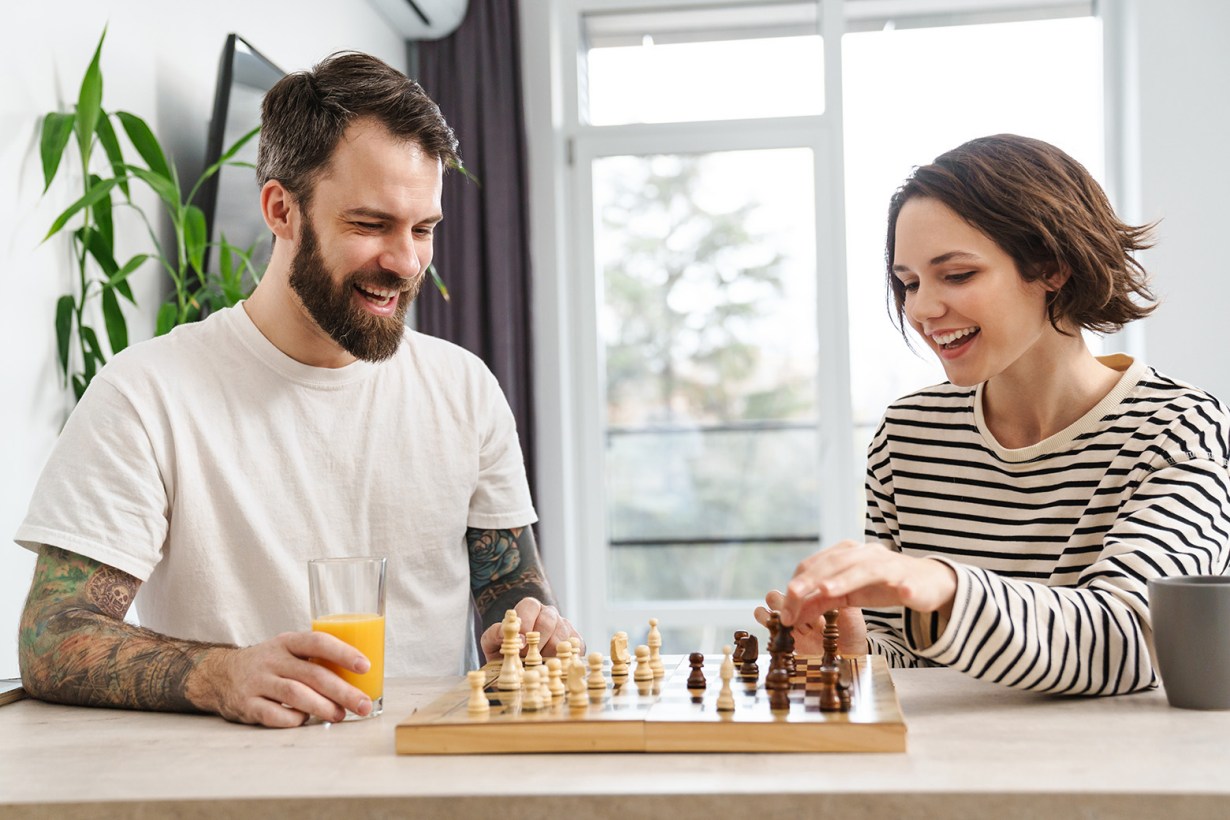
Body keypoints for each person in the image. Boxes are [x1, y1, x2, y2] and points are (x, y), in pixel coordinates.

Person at [15, 52, 581, 727]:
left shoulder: (465, 388)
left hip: (423, 776)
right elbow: (52, 635)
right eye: (370, 225)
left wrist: (525, 623)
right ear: (282, 210)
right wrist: (217, 673)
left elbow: (507, 585)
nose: (405, 262)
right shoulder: (146, 395)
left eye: (423, 229)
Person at [757, 134, 1230, 695]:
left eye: (956, 275)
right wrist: (856, 650)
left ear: (1052, 267)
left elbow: (1133, 643)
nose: (922, 309)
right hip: (940, 772)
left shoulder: (1180, 430)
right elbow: (919, 659)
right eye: (908, 283)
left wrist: (942, 585)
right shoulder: (907, 436)